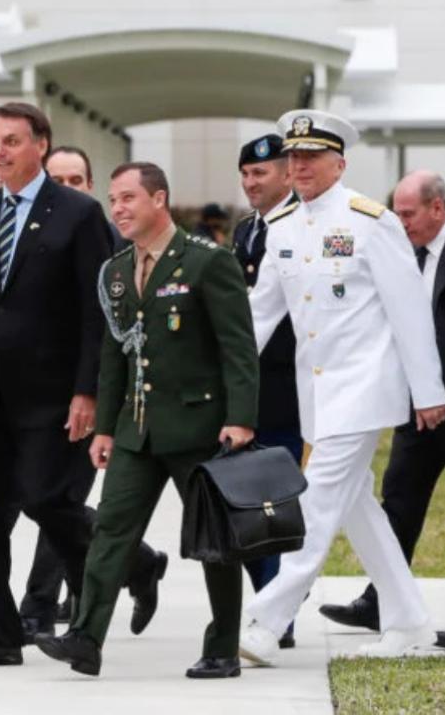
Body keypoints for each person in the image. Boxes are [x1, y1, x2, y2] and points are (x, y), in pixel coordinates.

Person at [239, 109, 445, 666]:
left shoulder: (370, 220)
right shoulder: (281, 226)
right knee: (359, 510)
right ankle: (407, 620)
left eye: (312, 157)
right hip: (317, 392)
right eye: (294, 157)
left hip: (364, 385)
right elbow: (258, 315)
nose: (300, 166)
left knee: (317, 498)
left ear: (340, 163)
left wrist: (428, 390)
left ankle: (266, 619)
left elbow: (409, 311)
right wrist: (220, 376)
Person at [35, 161, 259, 679]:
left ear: (159, 200)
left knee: (214, 542)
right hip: (138, 429)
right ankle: (86, 640)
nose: (118, 209)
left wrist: (240, 420)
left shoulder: (207, 262)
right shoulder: (115, 271)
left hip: (200, 427)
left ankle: (222, 647)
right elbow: (115, 355)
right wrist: (108, 427)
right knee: (111, 530)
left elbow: (238, 349)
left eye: (128, 198)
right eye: (113, 200)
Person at [0, 102, 110, 667]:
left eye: (12, 141)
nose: (0, 151)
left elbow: (95, 312)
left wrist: (88, 391)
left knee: (44, 501)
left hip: (53, 397)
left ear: (41, 146)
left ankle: (115, 576)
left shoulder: (79, 214)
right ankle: (2, 635)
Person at [318, 170, 445, 651]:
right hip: (414, 413)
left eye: (408, 213)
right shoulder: (398, 250)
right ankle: (381, 600)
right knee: (397, 504)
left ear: (438, 208)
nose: (400, 221)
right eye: (396, 212)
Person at [233, 133, 301, 649]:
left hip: (293, 385)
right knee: (247, 502)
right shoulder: (245, 231)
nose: (251, 182)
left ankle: (278, 613)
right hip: (249, 386)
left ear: (286, 173)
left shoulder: (306, 225)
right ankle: (271, 605)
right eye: (246, 174)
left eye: (261, 173)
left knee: (278, 503)